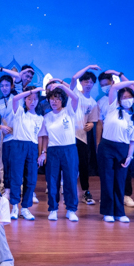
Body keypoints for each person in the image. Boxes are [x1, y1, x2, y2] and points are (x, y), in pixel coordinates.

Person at [97, 79, 134, 222]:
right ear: (119, 100)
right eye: (124, 97)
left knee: (120, 181)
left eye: (129, 97)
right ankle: (108, 211)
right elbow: (114, 87)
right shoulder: (112, 108)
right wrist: (132, 82)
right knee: (107, 180)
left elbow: (133, 140)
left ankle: (120, 212)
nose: (127, 100)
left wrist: (130, 156)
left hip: (123, 149)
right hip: (107, 147)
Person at [39, 81, 81, 221]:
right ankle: (53, 209)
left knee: (70, 179)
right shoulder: (47, 117)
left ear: (62, 99)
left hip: (69, 149)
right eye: (52, 99)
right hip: (53, 151)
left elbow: (75, 98)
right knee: (52, 180)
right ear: (48, 100)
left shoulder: (69, 111)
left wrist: (63, 86)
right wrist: (43, 152)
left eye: (57, 98)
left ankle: (71, 209)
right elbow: (44, 137)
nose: (54, 101)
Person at [9, 86, 45, 221]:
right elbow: (15, 98)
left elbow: (41, 137)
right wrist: (30, 91)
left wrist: (42, 152)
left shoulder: (40, 118)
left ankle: (25, 208)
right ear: (25, 100)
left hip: (33, 147)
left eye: (35, 99)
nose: (32, 101)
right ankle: (14, 207)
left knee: (31, 178)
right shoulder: (19, 112)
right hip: (18, 145)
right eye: (29, 99)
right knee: (16, 178)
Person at [70, 65, 100, 207]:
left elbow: (92, 120)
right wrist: (88, 67)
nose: (88, 84)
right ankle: (66, 190)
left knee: (83, 165)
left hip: (82, 137)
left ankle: (86, 191)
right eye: (86, 81)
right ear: (81, 83)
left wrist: (92, 125)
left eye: (91, 82)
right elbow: (74, 77)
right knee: (69, 164)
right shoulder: (75, 94)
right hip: (69, 135)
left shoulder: (93, 103)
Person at [0, 74, 17, 200]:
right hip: (5, 137)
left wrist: (1, 70)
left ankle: (18, 188)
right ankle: (6, 189)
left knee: (17, 164)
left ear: (12, 86)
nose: (4, 88)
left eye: (7, 85)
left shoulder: (18, 98)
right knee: (5, 164)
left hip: (18, 137)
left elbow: (18, 76)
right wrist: (1, 127)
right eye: (2, 86)